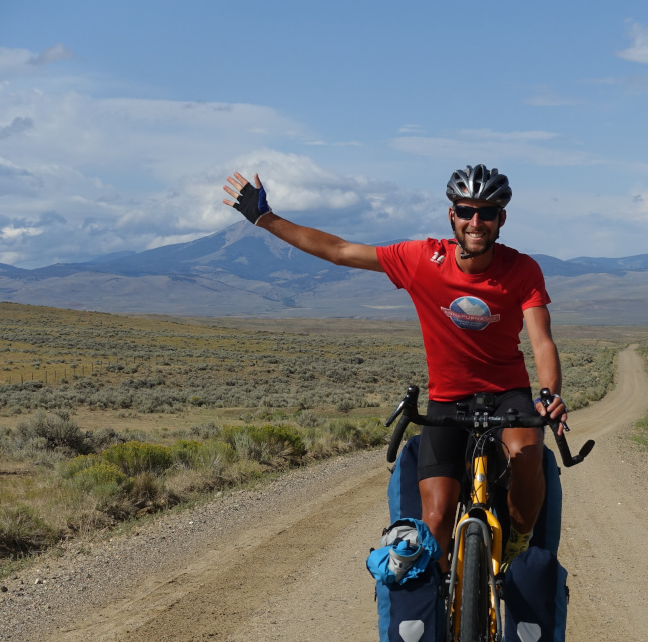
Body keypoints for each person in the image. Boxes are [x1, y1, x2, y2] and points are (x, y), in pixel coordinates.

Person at [222, 165, 566, 569]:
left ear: (501, 219)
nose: (477, 221)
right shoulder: (422, 259)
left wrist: (550, 394)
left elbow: (541, 340)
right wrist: (266, 220)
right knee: (435, 521)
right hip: (447, 398)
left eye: (487, 213)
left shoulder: (522, 269)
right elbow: (340, 251)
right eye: (466, 211)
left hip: (507, 392)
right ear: (451, 215)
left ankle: (517, 547)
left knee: (527, 456)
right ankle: (442, 611)